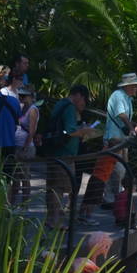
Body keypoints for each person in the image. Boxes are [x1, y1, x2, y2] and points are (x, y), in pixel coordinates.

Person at [81, 72, 137, 215]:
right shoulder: (118, 96)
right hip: (114, 141)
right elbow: (122, 116)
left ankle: (114, 203)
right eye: (135, 86)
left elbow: (126, 118)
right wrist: (132, 129)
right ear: (129, 86)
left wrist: (135, 126)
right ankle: (88, 211)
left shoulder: (127, 99)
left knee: (116, 172)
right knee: (101, 175)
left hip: (120, 141)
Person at [42, 84, 100, 225]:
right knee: (59, 188)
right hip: (64, 155)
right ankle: (55, 221)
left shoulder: (60, 103)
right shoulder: (69, 108)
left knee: (54, 187)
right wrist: (85, 131)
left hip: (55, 151)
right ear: (79, 95)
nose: (84, 103)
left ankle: (51, 219)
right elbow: (70, 131)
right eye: (84, 99)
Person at [11, 83, 39, 202]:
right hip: (16, 144)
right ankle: (12, 203)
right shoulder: (21, 107)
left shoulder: (33, 110)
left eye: (24, 96)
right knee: (15, 177)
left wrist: (25, 147)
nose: (21, 98)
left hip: (25, 147)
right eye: (20, 95)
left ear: (31, 96)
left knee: (24, 177)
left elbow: (32, 131)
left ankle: (24, 204)